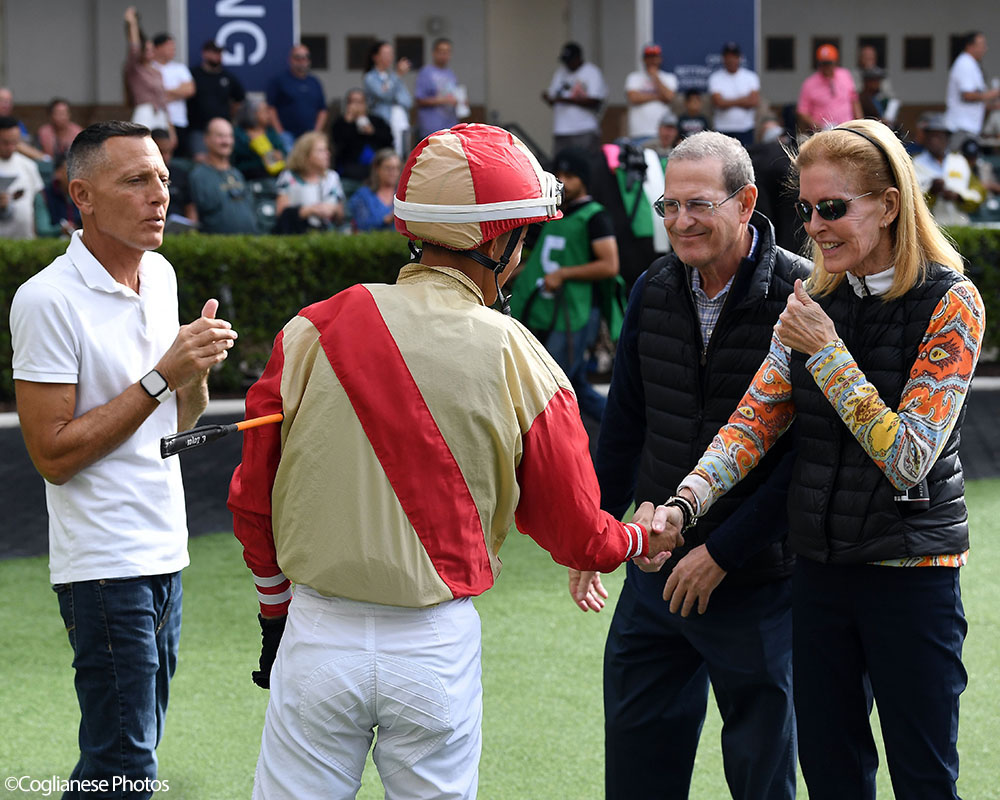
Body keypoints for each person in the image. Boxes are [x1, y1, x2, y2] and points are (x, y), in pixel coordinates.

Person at [227, 122, 679, 799]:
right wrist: (641, 535)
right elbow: (579, 530)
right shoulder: (521, 354)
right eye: (521, 238)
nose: (522, 256)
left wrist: (274, 613)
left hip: (316, 633)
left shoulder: (310, 328)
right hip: (433, 647)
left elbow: (251, 496)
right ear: (496, 241)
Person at [672, 119, 984, 800]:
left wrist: (827, 351)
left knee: (925, 779)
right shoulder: (812, 301)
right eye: (807, 210)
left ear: (890, 204)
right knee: (832, 777)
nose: (815, 226)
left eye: (834, 208)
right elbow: (750, 426)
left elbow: (908, 458)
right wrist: (683, 504)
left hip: (912, 579)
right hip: (818, 577)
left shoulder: (952, 301)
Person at [571, 130, 808, 800]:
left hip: (756, 584)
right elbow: (624, 429)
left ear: (746, 201)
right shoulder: (653, 285)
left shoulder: (802, 296)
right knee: (638, 772)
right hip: (653, 576)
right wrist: (594, 532)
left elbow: (806, 459)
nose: (679, 222)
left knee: (763, 782)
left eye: (697, 205)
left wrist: (724, 553)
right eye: (667, 206)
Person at [9, 120, 238, 798]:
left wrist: (192, 374)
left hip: (166, 552)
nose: (159, 195)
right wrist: (164, 375)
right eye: (136, 180)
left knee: (123, 757)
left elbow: (175, 423)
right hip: (104, 564)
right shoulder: (46, 299)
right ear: (81, 195)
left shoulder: (161, 275)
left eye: (163, 178)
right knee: (126, 765)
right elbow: (51, 455)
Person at [509, 147, 622, 424]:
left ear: (583, 179)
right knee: (573, 383)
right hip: (553, 310)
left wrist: (564, 274)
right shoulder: (558, 213)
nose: (563, 181)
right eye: (558, 174)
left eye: (570, 175)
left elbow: (610, 265)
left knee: (552, 384)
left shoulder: (595, 216)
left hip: (578, 312)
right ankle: (621, 427)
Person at [186, 117, 258, 234]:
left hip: (249, 244)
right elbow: (192, 214)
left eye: (229, 136)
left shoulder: (237, 174)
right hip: (218, 248)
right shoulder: (197, 176)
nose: (226, 141)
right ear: (206, 139)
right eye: (220, 136)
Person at [912, 114, 982, 226]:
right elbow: (911, 201)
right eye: (931, 136)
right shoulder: (915, 162)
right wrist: (932, 192)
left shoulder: (960, 161)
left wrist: (958, 197)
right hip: (930, 228)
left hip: (960, 226)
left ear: (948, 139)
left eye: (939, 136)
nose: (934, 141)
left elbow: (978, 193)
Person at [274, 131, 345, 233]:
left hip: (327, 233)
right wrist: (308, 210)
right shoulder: (288, 177)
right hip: (296, 233)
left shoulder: (332, 177)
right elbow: (281, 214)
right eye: (321, 150)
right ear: (305, 155)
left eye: (327, 150)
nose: (327, 154)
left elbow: (341, 216)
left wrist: (333, 209)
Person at [542, 42, 607, 154]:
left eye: (570, 60)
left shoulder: (591, 72)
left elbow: (595, 101)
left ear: (578, 58)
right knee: (561, 167)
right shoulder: (560, 72)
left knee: (587, 166)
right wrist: (548, 98)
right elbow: (553, 96)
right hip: (561, 130)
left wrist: (565, 100)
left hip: (584, 129)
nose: (567, 64)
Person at [329, 88, 394, 197]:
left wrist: (373, 132)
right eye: (352, 102)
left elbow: (389, 141)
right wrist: (348, 122)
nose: (356, 106)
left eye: (359, 102)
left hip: (374, 177)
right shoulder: (340, 123)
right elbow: (338, 146)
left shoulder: (377, 121)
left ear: (365, 104)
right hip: (349, 176)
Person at [187, 40, 246, 158]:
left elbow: (239, 99)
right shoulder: (193, 74)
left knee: (224, 159)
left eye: (220, 53)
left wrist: (229, 117)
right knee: (201, 159)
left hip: (223, 130)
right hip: (199, 129)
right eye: (214, 52)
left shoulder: (227, 77)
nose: (217, 56)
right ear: (204, 53)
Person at [267, 43, 328, 151]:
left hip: (309, 136)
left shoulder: (314, 82)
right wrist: (280, 132)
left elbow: (322, 110)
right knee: (289, 164)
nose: (302, 61)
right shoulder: (280, 81)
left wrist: (316, 131)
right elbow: (271, 108)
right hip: (287, 135)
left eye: (305, 58)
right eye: (298, 58)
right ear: (290, 59)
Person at [944, 31, 1000, 147]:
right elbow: (968, 95)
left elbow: (976, 100)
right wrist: (994, 93)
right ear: (970, 46)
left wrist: (993, 105)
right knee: (958, 162)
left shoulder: (972, 64)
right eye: (982, 45)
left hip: (970, 127)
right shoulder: (964, 63)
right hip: (961, 127)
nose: (985, 49)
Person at [122, 6, 170, 133]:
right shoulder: (135, 69)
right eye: (146, 49)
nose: (150, 52)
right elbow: (134, 47)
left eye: (152, 49)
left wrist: (171, 129)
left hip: (160, 114)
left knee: (162, 148)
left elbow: (164, 101)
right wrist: (132, 24)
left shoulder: (157, 72)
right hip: (145, 112)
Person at [363, 40, 413, 157]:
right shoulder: (370, 78)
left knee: (403, 151)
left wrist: (390, 91)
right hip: (384, 122)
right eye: (385, 54)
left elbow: (407, 100)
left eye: (391, 54)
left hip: (400, 118)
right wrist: (397, 76)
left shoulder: (392, 76)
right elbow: (383, 94)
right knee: (387, 153)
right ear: (375, 57)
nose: (389, 57)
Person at [797, 44, 862, 132]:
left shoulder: (845, 75)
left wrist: (860, 123)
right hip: (823, 132)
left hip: (847, 129)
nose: (826, 67)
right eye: (823, 63)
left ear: (835, 62)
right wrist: (818, 125)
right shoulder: (809, 83)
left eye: (829, 63)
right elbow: (802, 111)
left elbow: (854, 100)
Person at [0, 115, 45, 239]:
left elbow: (38, 204)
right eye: (5, 143)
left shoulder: (28, 165)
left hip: (26, 240)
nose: (10, 147)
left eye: (14, 142)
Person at [708, 42, 760, 147]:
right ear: (723, 58)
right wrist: (743, 100)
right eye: (728, 56)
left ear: (739, 58)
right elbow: (719, 103)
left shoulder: (751, 77)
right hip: (722, 129)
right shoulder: (715, 78)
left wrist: (728, 101)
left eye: (734, 56)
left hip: (745, 128)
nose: (731, 59)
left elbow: (753, 101)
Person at [151, 33, 195, 157]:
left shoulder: (179, 68)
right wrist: (177, 92)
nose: (173, 50)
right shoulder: (150, 68)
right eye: (169, 47)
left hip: (179, 120)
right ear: (158, 48)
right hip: (157, 120)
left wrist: (164, 91)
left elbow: (189, 89)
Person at [624, 43, 677, 144]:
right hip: (638, 132)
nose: (652, 60)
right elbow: (633, 98)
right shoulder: (634, 77)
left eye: (655, 57)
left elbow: (669, 97)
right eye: (649, 57)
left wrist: (655, 77)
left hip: (662, 134)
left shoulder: (669, 77)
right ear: (644, 59)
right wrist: (658, 96)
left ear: (660, 59)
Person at [414, 37, 461, 139]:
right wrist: (443, 100)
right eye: (441, 51)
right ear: (434, 53)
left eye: (447, 52)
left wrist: (461, 102)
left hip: (450, 127)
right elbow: (419, 100)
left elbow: (455, 96)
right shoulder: (425, 73)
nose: (444, 55)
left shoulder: (451, 74)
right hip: (431, 129)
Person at [232, 98, 287, 181]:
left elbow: (284, 152)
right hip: (247, 177)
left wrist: (280, 155)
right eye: (265, 111)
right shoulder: (238, 133)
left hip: (275, 177)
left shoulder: (271, 132)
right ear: (252, 113)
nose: (268, 115)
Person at [347, 147, 400, 232]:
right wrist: (387, 219)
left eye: (396, 168)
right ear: (377, 169)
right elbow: (362, 225)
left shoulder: (404, 195)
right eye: (388, 168)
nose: (393, 173)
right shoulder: (363, 195)